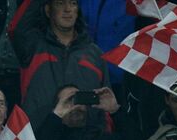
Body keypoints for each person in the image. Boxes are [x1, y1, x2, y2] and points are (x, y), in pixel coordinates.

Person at [12, 0, 111, 128]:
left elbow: (106, 104)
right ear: (48, 10)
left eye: (73, 3)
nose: (67, 9)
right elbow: (17, 26)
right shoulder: (32, 46)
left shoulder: (95, 53)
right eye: (60, 3)